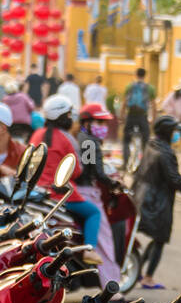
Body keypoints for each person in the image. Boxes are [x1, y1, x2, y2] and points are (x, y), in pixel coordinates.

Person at [30, 94, 101, 260]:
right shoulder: (67, 139)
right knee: (94, 213)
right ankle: (89, 249)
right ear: (62, 117)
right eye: (68, 115)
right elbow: (76, 170)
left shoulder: (37, 134)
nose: (71, 119)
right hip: (60, 194)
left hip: (36, 190)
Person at [131, 114, 181, 289]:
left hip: (142, 197)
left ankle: (138, 270)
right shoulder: (166, 153)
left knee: (155, 239)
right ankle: (148, 277)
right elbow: (174, 179)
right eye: (173, 131)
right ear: (168, 133)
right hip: (158, 201)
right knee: (160, 239)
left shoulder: (151, 145)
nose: (175, 135)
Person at [76, 102, 120, 290]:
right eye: (99, 122)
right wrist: (115, 184)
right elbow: (98, 174)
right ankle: (112, 287)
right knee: (105, 241)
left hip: (75, 190)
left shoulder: (78, 138)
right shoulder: (90, 142)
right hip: (87, 191)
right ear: (87, 122)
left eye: (104, 123)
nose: (102, 127)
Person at [121, 67, 155, 159]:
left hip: (131, 115)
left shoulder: (129, 86)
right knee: (146, 139)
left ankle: (125, 161)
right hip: (142, 116)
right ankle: (145, 162)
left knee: (126, 140)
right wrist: (153, 119)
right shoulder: (150, 88)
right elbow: (153, 105)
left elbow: (124, 103)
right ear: (145, 75)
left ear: (135, 75)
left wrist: (122, 116)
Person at [160, 81, 181, 159]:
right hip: (171, 119)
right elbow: (164, 105)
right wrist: (171, 111)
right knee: (168, 137)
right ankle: (166, 153)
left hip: (179, 120)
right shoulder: (172, 95)